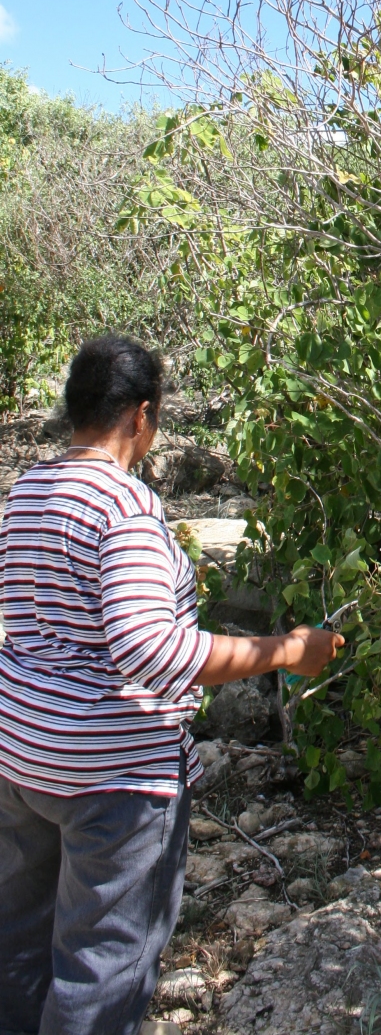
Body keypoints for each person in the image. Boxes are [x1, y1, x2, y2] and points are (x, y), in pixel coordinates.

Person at [0, 335, 343, 1035]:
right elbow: (150, 651)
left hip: (23, 755)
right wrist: (288, 650)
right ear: (142, 417)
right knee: (102, 967)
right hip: (113, 776)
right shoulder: (124, 509)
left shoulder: (28, 490)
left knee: (21, 945)